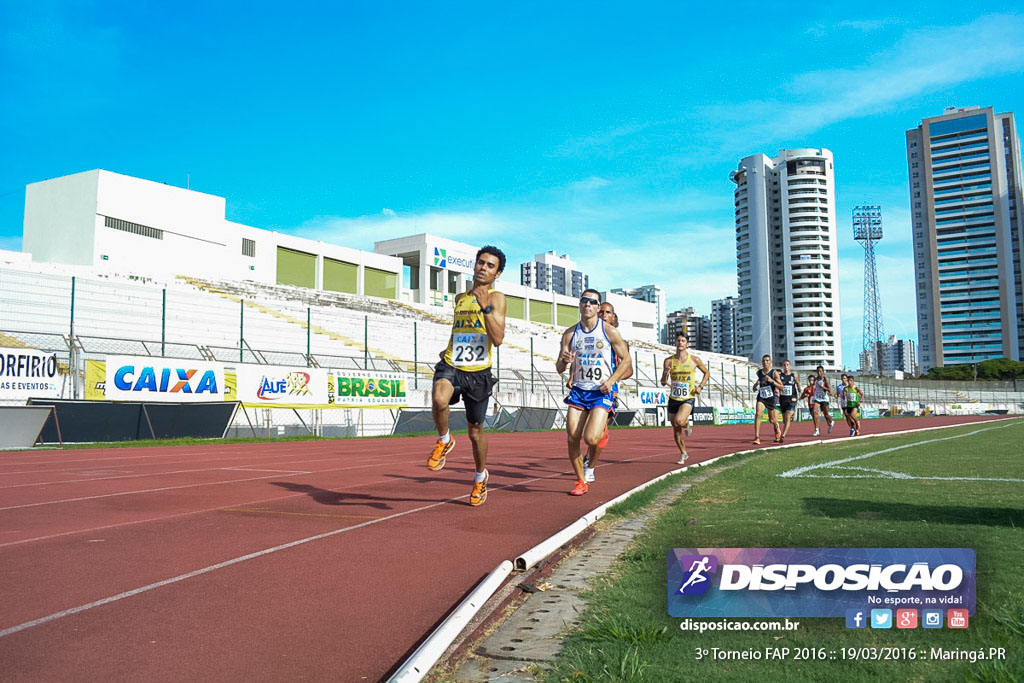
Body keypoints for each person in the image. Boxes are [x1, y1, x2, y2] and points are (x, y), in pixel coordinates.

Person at [426, 246, 507, 507]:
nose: (483, 267)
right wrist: (449, 348)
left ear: (497, 273)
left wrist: (485, 307)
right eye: (481, 262)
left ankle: (480, 476)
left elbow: (498, 339)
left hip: (478, 373)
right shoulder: (460, 297)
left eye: (490, 265)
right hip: (452, 363)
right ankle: (445, 439)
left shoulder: (497, 298)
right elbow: (460, 329)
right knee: (439, 399)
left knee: (475, 432)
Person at [556, 289, 632, 496]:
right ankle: (581, 480)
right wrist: (564, 360)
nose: (587, 304)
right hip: (579, 391)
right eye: (584, 301)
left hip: (600, 392)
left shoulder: (609, 331)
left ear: (598, 308)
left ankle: (594, 451)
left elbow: (626, 361)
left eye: (592, 302)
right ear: (580, 305)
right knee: (572, 437)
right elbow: (559, 368)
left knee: (591, 439)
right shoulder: (570, 334)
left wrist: (612, 380)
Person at [584, 302, 632, 482]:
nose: (604, 315)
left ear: (613, 317)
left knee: (597, 434)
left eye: (608, 313)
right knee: (585, 433)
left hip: (607, 393)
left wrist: (612, 380)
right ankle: (589, 457)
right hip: (585, 389)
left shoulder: (620, 342)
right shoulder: (589, 337)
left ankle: (590, 467)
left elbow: (629, 370)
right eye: (601, 311)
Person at [661, 332, 709, 464]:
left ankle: (687, 423)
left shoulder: (694, 360)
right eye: (678, 340)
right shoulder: (668, 361)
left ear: (687, 344)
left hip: (688, 397)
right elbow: (663, 382)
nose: (680, 343)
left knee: (679, 420)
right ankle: (683, 453)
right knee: (675, 427)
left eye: (683, 341)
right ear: (675, 343)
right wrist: (665, 374)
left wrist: (700, 386)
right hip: (673, 398)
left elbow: (706, 372)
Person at [751, 354, 783, 445]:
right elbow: (757, 384)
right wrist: (755, 385)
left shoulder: (774, 373)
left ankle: (777, 428)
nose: (765, 362)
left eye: (767, 360)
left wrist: (772, 381)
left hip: (770, 398)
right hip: (761, 397)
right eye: (764, 361)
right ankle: (757, 437)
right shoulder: (759, 372)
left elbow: (782, 387)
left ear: (771, 362)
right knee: (758, 414)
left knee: (772, 420)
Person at [778, 360, 800, 439]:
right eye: (784, 365)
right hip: (783, 399)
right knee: (784, 419)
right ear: (783, 366)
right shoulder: (780, 376)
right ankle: (784, 431)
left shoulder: (794, 376)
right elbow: (778, 385)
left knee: (788, 416)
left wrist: (799, 389)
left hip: (792, 399)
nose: (786, 366)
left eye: (787, 365)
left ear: (790, 366)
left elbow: (797, 383)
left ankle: (783, 435)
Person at [811, 365, 835, 437]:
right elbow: (813, 386)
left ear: (823, 372)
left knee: (826, 415)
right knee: (814, 412)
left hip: (824, 399)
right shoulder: (815, 379)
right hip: (817, 398)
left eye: (820, 371)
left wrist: (822, 387)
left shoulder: (825, 379)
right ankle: (817, 430)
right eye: (818, 371)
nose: (819, 373)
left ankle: (832, 421)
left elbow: (829, 389)